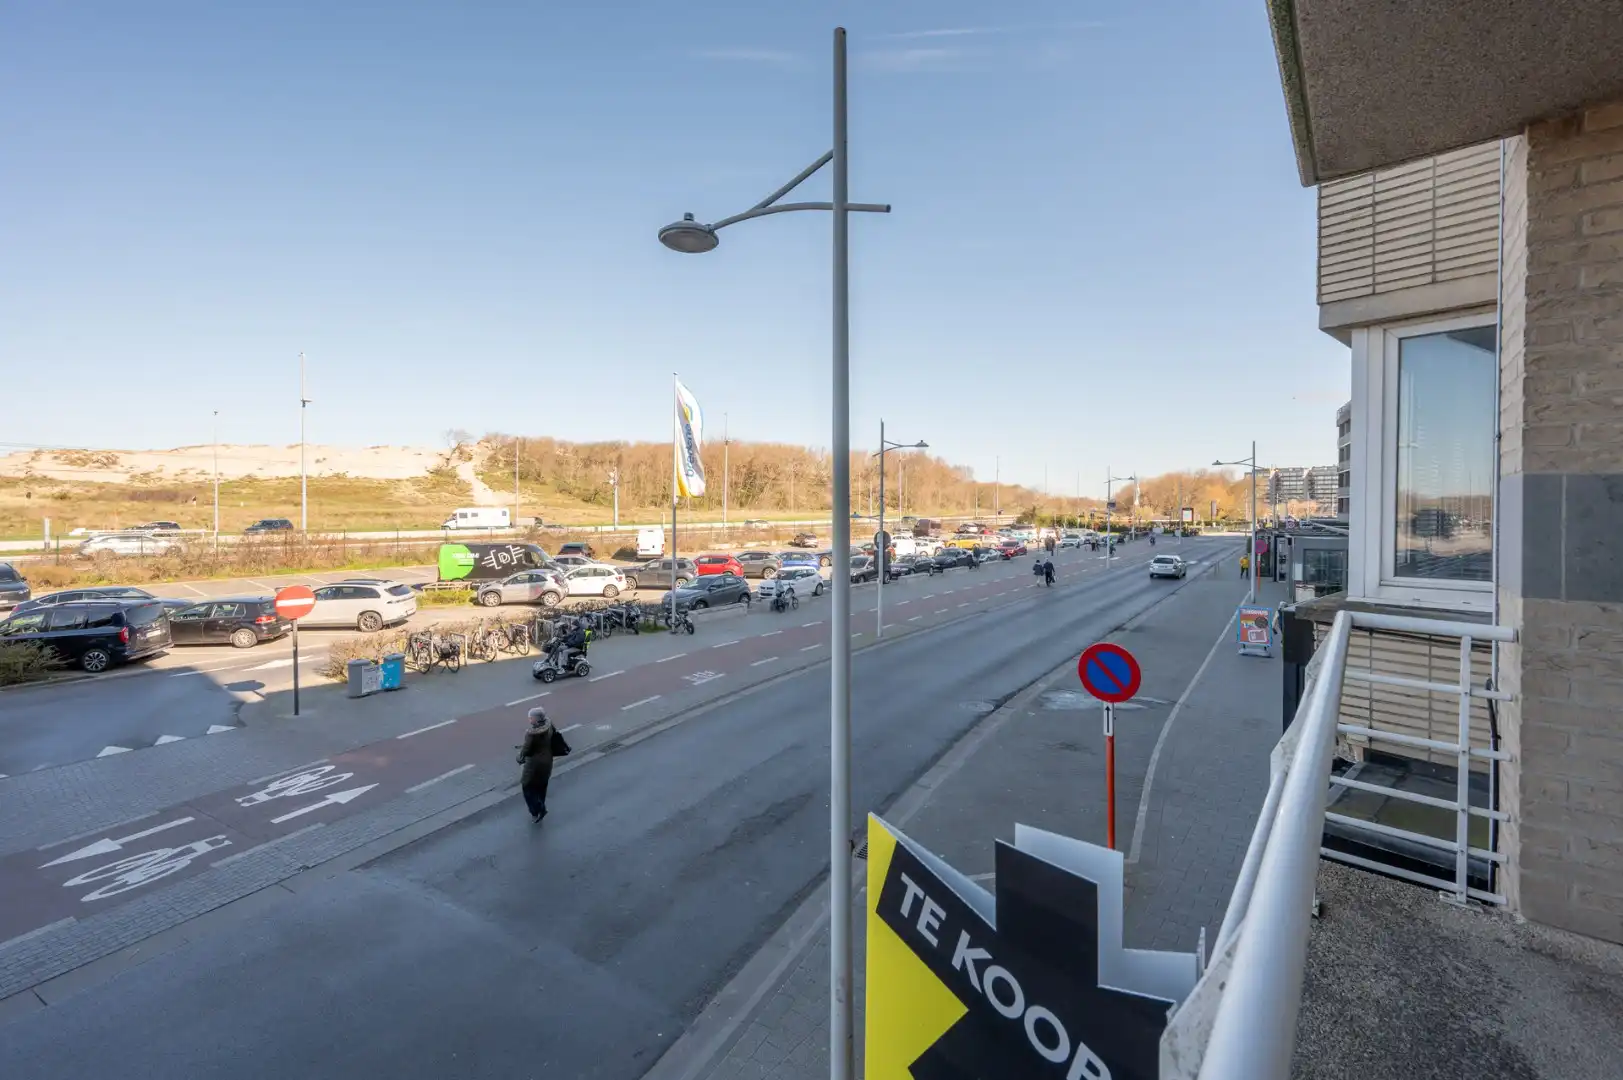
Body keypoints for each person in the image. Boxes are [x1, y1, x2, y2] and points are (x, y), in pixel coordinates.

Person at [516, 707, 557, 823]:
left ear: (536, 719)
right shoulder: (549, 725)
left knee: (527, 787)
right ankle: (541, 806)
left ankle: (537, 810)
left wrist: (519, 757)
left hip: (533, 766)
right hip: (547, 762)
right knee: (542, 786)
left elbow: (526, 751)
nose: (529, 719)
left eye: (530, 717)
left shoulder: (531, 734)